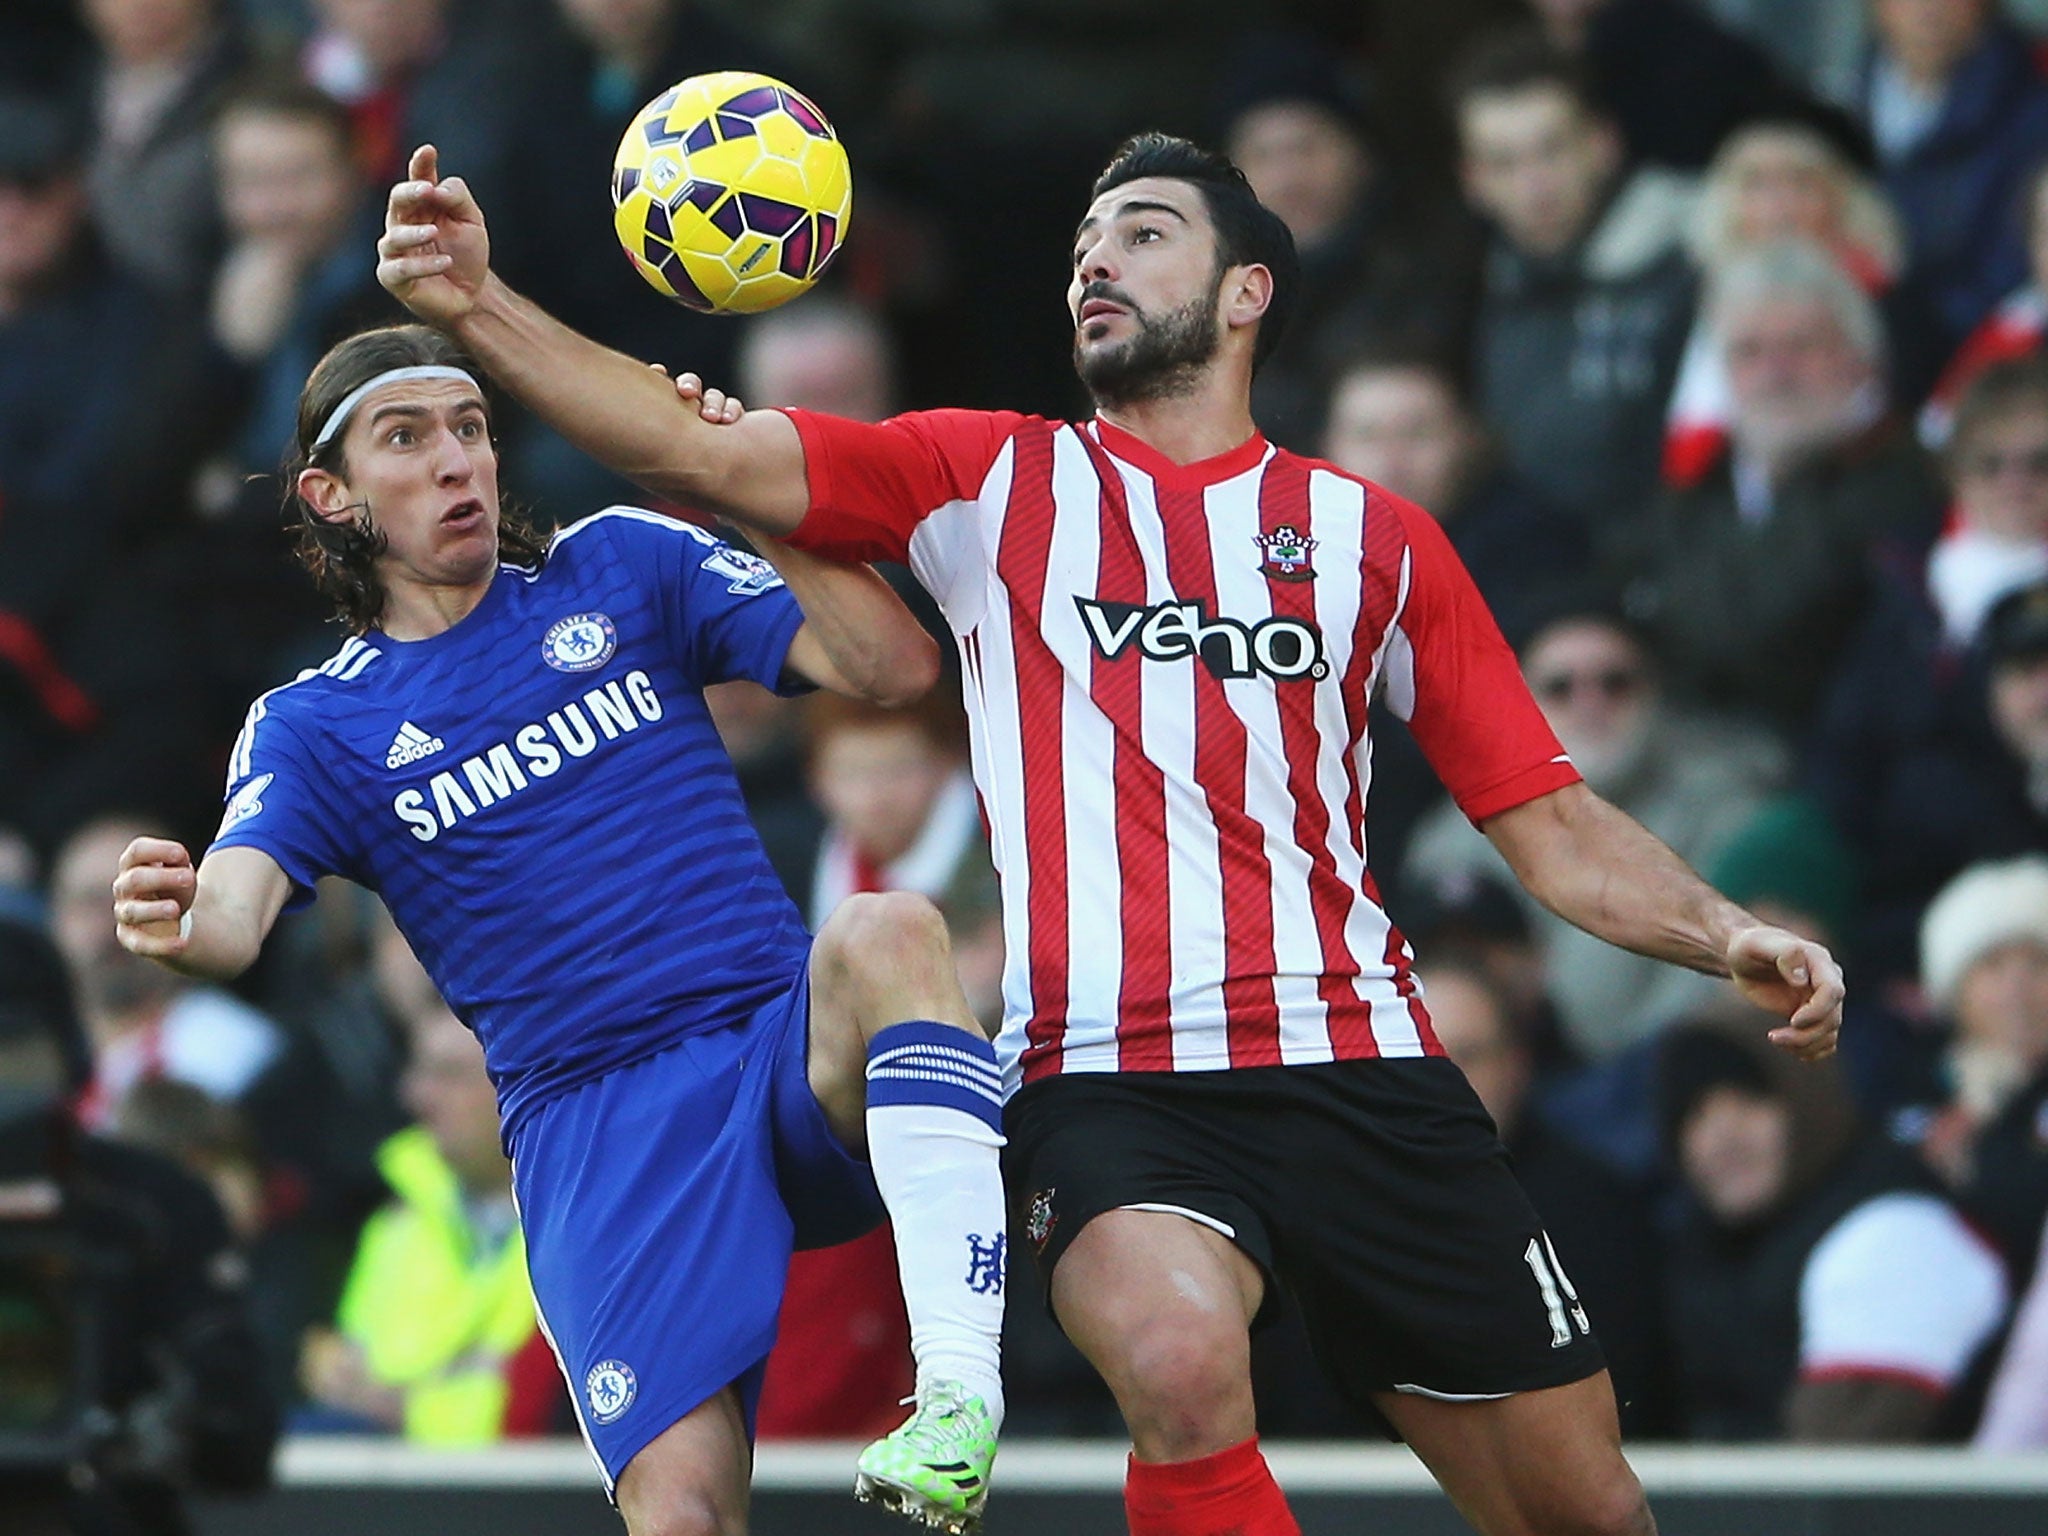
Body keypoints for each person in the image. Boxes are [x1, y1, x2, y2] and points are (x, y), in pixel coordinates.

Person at [374, 130, 1846, 1536]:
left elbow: (1556, 826)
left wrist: (1727, 931)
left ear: (1246, 291)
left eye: (1143, 236)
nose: (1097, 263)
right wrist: (478, 305)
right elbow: (700, 446)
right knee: (1178, 1362)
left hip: (1363, 1063)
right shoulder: (988, 477)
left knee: (1585, 1507)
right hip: (1108, 1077)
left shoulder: (1372, 538)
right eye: (1084, 243)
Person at [110, 324, 1011, 1534]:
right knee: (683, 1516)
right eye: (408, 437)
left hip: (767, 1037)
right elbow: (230, 917)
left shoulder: (624, 562)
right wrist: (171, 923)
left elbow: (894, 667)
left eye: (471, 429)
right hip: (595, 1122)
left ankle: (959, 1385)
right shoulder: (314, 725)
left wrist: (729, 482)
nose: (455, 462)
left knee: (890, 928)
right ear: (331, 497)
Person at [0, 910, 277, 1534]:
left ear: (62, 1052)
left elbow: (241, 1450)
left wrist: (168, 1416)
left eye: (11, 1054)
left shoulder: (148, 1209)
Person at [1404, 605, 1783, 1061]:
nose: (1590, 703)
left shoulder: (1730, 809)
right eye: (1561, 687)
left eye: (1616, 683)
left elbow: (1711, 985)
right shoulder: (1450, 838)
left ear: (1655, 692)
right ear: (1520, 700)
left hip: (1649, 1081)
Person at [1610, 238, 1942, 732]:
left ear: (1860, 358)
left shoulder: (1908, 477)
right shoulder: (1695, 490)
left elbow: (1766, 636)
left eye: (1801, 346)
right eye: (1748, 351)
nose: (1773, 373)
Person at [1450, 31, 1699, 532]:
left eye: (1551, 150)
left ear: (1603, 145)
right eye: (1503, 162)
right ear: (1472, 181)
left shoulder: (1692, 263)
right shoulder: (1467, 291)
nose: (1534, 186)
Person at [298, 1001, 561, 1443]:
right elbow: (345, 1385)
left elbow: (544, 1416)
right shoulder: (396, 1224)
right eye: (419, 1071)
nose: (417, 1096)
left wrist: (403, 1410)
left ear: (518, 1086)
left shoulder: (579, 1228)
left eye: (449, 1074)